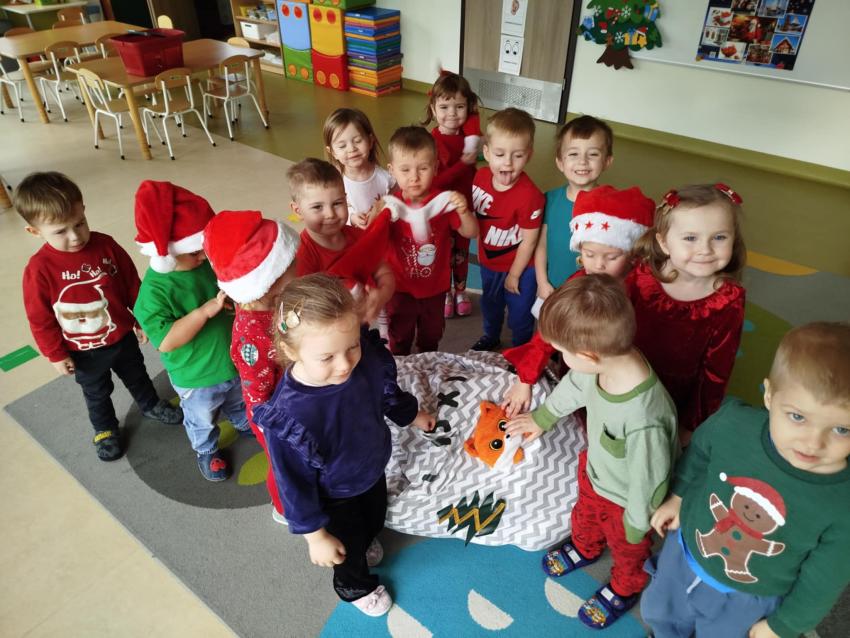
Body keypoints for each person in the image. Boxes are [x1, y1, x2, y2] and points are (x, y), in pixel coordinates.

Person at [642, 322, 850, 638]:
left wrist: (783, 626)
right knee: (660, 612)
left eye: (841, 429)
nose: (812, 443)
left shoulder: (841, 504)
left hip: (747, 600)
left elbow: (823, 580)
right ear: (769, 395)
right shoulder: (734, 423)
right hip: (683, 555)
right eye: (797, 417)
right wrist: (679, 495)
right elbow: (700, 453)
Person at [253, 274, 436, 617]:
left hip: (372, 467)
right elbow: (292, 483)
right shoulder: (290, 416)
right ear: (291, 351)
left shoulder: (363, 360)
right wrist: (315, 537)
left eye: (351, 346)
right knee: (346, 549)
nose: (345, 364)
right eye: (327, 357)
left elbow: (385, 392)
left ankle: (364, 541)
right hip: (334, 494)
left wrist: (411, 415)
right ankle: (355, 586)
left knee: (373, 518)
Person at [506, 274, 678, 629]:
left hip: (628, 500)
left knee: (628, 550)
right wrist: (542, 417)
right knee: (583, 518)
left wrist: (636, 524)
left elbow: (649, 478)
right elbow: (576, 386)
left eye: (563, 353)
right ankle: (585, 547)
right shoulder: (603, 362)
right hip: (595, 470)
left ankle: (625, 586)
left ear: (587, 355)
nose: (562, 359)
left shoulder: (645, 417)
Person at [17, 171, 182, 462]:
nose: (75, 236)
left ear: (83, 209)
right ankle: (105, 429)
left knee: (138, 375)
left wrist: (141, 320)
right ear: (35, 231)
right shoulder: (39, 269)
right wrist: (55, 354)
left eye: (79, 223)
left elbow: (131, 286)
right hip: (83, 352)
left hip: (122, 337)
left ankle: (150, 404)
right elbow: (39, 318)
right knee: (96, 392)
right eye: (60, 231)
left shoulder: (106, 246)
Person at [132, 180, 251, 482]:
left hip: (231, 360)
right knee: (202, 418)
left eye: (203, 250)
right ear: (167, 255)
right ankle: (207, 449)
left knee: (239, 398)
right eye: (195, 252)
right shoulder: (153, 293)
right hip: (196, 377)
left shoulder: (202, 264)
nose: (203, 257)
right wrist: (204, 312)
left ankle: (242, 421)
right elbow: (166, 341)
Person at [501, 184, 655, 417]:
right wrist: (525, 380)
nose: (599, 265)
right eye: (589, 254)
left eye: (612, 257)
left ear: (633, 255)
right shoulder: (580, 281)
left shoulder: (645, 286)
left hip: (626, 375)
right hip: (580, 370)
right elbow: (549, 331)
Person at [629, 183, 747, 446]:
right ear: (663, 242)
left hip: (677, 397)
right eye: (691, 238)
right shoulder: (643, 278)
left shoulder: (728, 300)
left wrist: (692, 425)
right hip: (627, 377)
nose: (705, 249)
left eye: (719, 237)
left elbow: (716, 372)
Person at [203, 210, 299, 521]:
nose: (298, 265)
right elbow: (258, 393)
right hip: (275, 416)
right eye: (291, 263)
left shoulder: (278, 302)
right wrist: (273, 428)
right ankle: (284, 509)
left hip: (296, 397)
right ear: (271, 279)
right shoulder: (252, 334)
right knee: (284, 467)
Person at [383, 126, 478, 355]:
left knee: (431, 337)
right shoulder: (390, 206)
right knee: (399, 338)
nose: (414, 177)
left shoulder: (443, 202)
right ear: (392, 170)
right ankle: (400, 368)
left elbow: (471, 232)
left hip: (435, 288)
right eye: (405, 169)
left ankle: (428, 363)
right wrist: (373, 217)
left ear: (435, 167)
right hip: (400, 289)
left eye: (423, 168)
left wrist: (463, 211)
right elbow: (372, 242)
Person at [469, 107, 545, 351]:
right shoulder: (479, 178)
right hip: (490, 264)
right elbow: (476, 219)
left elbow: (530, 241)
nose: (508, 163)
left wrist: (514, 274)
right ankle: (491, 336)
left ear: (529, 155)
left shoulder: (530, 196)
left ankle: (522, 348)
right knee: (490, 305)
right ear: (486, 152)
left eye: (518, 155)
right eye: (500, 154)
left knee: (520, 314)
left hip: (521, 268)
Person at [288, 158, 395, 330]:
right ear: (298, 211)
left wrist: (381, 294)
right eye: (317, 207)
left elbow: (383, 271)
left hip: (362, 325)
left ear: (346, 200)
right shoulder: (301, 255)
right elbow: (303, 307)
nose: (330, 214)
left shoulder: (359, 237)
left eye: (337, 203)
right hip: (328, 333)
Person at [421, 70, 482, 318]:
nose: (452, 114)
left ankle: (460, 291)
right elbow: (435, 181)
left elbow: (476, 122)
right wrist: (463, 163)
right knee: (443, 252)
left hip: (465, 208)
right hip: (441, 209)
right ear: (433, 109)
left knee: (462, 252)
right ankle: (445, 291)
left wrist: (473, 139)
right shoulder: (431, 142)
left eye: (460, 107)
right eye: (444, 107)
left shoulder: (469, 137)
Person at [534, 115, 614, 300]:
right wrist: (542, 282)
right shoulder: (550, 199)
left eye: (593, 154)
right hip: (552, 288)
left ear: (607, 161)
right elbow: (542, 245)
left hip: (592, 295)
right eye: (573, 154)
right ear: (560, 163)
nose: (582, 161)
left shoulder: (611, 205)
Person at [323, 107, 394, 229]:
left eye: (357, 141)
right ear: (332, 152)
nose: (351, 149)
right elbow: (330, 209)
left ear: (370, 141)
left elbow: (396, 204)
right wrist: (351, 218)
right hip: (349, 234)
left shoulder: (386, 178)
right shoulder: (333, 181)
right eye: (342, 146)